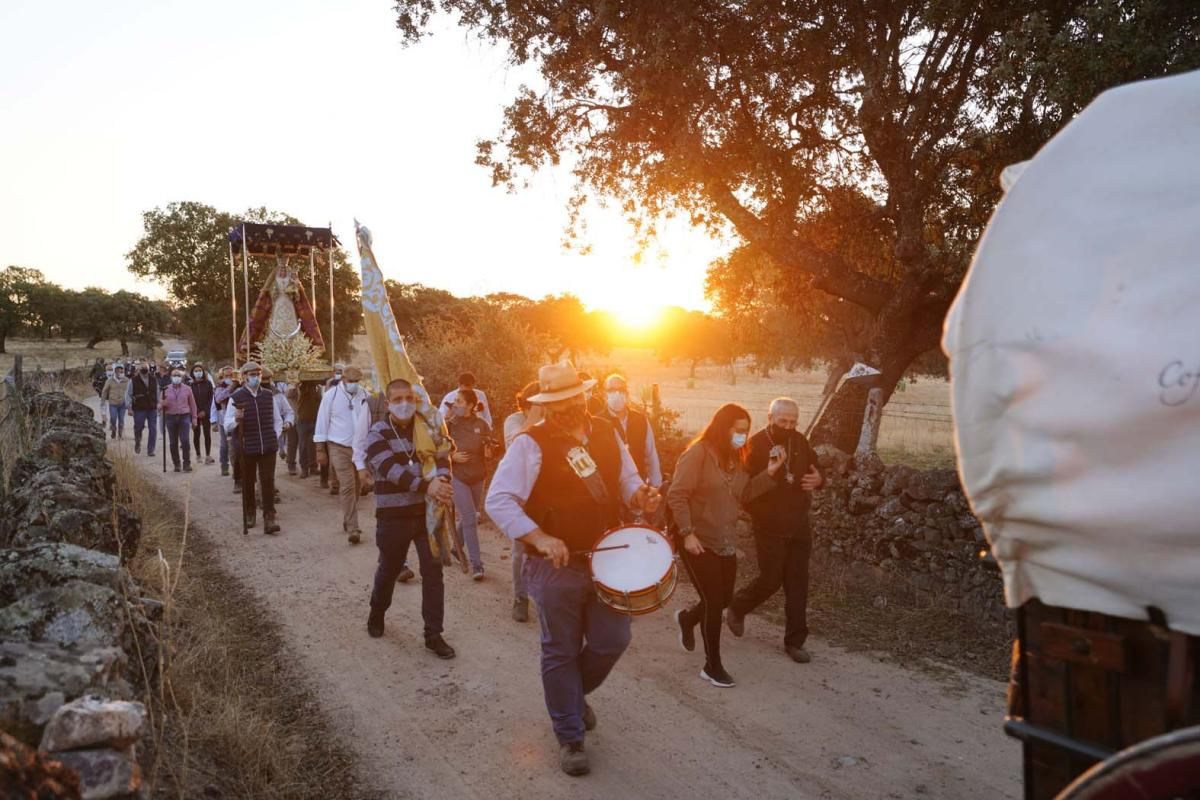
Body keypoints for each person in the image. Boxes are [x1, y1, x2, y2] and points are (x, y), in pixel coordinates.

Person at [485, 363, 660, 777]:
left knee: (613, 638)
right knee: (560, 649)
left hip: (607, 559)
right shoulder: (530, 443)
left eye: (574, 398)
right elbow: (499, 500)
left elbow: (629, 481)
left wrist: (641, 497)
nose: (569, 407)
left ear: (583, 396)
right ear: (547, 403)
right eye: (559, 401)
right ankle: (569, 735)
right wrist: (540, 537)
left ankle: (571, 695)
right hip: (553, 566)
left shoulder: (606, 431)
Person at [666, 403, 778, 689]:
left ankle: (688, 618)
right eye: (739, 430)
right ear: (722, 428)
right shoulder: (698, 454)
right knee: (715, 602)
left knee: (724, 598)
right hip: (696, 539)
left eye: (746, 431)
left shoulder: (737, 458)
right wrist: (687, 533)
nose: (743, 436)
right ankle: (712, 666)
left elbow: (746, 493)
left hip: (724, 539)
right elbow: (677, 495)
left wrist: (772, 473)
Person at [725, 398, 824, 664]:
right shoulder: (754, 446)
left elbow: (816, 469)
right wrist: (769, 474)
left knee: (797, 583)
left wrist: (820, 479)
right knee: (770, 580)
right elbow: (742, 493)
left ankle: (795, 642)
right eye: (783, 421)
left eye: (793, 422)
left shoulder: (800, 441)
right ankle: (738, 606)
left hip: (798, 524)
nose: (788, 426)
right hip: (768, 525)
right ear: (770, 419)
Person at [364, 378, 456, 659]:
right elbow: (391, 470)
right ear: (388, 402)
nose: (404, 404)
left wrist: (442, 478)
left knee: (433, 574)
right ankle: (377, 612)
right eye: (398, 399)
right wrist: (428, 485)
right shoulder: (377, 433)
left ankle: (433, 634)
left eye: (409, 398)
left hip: (428, 514)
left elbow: (443, 453)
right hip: (393, 517)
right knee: (389, 570)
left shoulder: (426, 427)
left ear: (416, 400)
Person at [224, 361, 287, 534]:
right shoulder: (235, 398)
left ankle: (269, 516)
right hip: (246, 446)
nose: (256, 378)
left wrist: (275, 435)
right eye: (252, 375)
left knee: (267, 481)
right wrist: (236, 420)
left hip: (267, 445)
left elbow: (277, 419)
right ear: (244, 377)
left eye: (258, 374)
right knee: (248, 481)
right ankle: (250, 512)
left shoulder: (268, 395)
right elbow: (227, 424)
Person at [501, 380, 544, 622]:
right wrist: (534, 418)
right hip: (520, 496)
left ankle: (545, 596)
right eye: (538, 404)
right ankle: (520, 598)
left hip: (545, 495)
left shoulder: (550, 425)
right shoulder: (514, 421)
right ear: (526, 405)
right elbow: (513, 446)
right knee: (520, 550)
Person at [314, 365, 371, 545]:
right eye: (350, 381)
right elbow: (322, 422)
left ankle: (348, 519)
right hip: (338, 447)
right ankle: (353, 527)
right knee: (347, 485)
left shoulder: (365, 395)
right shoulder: (331, 396)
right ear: (343, 380)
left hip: (360, 449)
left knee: (356, 486)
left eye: (357, 381)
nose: (354, 384)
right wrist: (320, 449)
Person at [447, 388, 492, 580]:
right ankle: (477, 565)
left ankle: (456, 548)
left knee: (469, 516)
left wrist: (491, 451)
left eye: (459, 401)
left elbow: (489, 449)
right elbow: (435, 451)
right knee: (470, 517)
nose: (455, 404)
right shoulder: (448, 425)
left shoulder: (482, 425)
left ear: (471, 405)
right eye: (455, 401)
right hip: (457, 476)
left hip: (478, 475)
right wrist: (451, 456)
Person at [598, 374, 662, 488]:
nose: (617, 394)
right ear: (604, 394)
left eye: (621, 390)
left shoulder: (640, 420)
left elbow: (651, 454)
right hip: (612, 490)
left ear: (627, 394)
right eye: (612, 390)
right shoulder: (598, 423)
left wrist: (656, 485)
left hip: (639, 488)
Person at [160, 368, 198, 472]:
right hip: (170, 417)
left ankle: (186, 463)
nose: (176, 377)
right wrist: (161, 405)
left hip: (184, 416)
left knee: (185, 440)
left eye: (178, 375)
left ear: (181, 378)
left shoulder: (187, 389)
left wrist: (194, 419)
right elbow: (159, 406)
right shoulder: (165, 389)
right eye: (174, 375)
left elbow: (193, 405)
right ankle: (176, 463)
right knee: (173, 442)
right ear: (171, 377)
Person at [124, 361, 159, 457]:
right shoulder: (133, 380)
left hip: (152, 407)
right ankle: (138, 441)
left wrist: (159, 404)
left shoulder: (153, 379)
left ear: (149, 369)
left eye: (146, 368)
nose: (144, 369)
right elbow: (128, 394)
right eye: (142, 368)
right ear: (139, 369)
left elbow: (158, 392)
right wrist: (129, 407)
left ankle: (151, 449)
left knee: (153, 429)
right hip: (139, 408)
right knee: (138, 427)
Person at [289, 379, 323, 478]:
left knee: (313, 446)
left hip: (315, 421)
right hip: (302, 422)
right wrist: (296, 384)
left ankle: (313, 467)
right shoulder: (300, 388)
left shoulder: (317, 389)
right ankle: (304, 468)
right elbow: (290, 394)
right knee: (303, 446)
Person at [188, 362, 215, 465]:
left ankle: (208, 455)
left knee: (207, 434)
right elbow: (190, 400)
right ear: (192, 373)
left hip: (206, 413)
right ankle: (198, 455)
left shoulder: (208, 384)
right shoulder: (190, 385)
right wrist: (196, 411)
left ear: (203, 372)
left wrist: (205, 410)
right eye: (196, 371)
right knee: (196, 433)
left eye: (200, 371)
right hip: (195, 413)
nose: (198, 373)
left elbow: (211, 398)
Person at [214, 367, 239, 479]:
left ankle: (237, 469)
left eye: (231, 375)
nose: (229, 378)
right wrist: (230, 388)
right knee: (225, 444)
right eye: (227, 376)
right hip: (224, 419)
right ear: (223, 376)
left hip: (237, 418)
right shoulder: (220, 387)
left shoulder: (240, 385)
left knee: (235, 445)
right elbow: (218, 399)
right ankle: (224, 465)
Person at [100, 364, 129, 439]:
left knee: (121, 420)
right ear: (115, 371)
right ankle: (113, 430)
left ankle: (120, 434)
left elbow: (130, 392)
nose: (120, 372)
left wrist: (130, 403)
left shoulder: (126, 380)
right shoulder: (110, 380)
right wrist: (103, 401)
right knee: (113, 418)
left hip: (122, 403)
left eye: (121, 370)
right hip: (113, 403)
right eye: (118, 370)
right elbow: (104, 391)